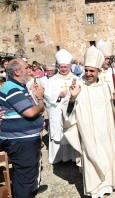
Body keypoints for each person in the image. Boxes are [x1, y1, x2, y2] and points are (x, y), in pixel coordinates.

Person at [64, 46, 115, 197]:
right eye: (86, 70)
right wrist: (72, 98)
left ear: (99, 71)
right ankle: (95, 190)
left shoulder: (106, 87)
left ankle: (110, 184)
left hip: (106, 133)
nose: (88, 73)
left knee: (108, 156)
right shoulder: (78, 86)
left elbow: (113, 110)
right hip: (89, 132)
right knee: (92, 157)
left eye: (92, 71)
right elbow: (67, 114)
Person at [0, 58, 45, 197]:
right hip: (20, 142)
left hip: (24, 140)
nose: (30, 70)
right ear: (17, 72)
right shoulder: (11, 87)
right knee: (24, 178)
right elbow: (31, 112)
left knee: (27, 175)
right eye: (26, 68)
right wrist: (41, 100)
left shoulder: (19, 87)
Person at [44, 49, 77, 164]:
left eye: (65, 67)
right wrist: (59, 94)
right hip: (57, 110)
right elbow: (46, 94)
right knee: (58, 132)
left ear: (69, 66)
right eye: (61, 67)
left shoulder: (75, 78)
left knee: (71, 130)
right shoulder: (52, 80)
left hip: (71, 110)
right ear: (58, 66)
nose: (63, 69)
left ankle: (73, 158)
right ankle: (58, 158)